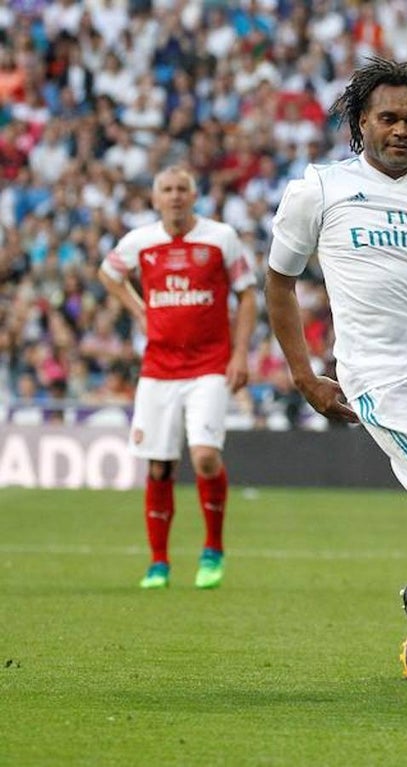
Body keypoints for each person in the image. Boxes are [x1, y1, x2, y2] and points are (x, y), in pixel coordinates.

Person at [265, 58, 407, 680]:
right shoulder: (321, 188)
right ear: (362, 122)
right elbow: (279, 280)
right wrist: (303, 374)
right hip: (383, 384)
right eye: (388, 118)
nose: (402, 130)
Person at [98, 165, 257, 590]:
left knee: (204, 456)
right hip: (158, 368)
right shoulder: (140, 241)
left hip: (209, 364)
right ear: (155, 199)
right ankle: (159, 562)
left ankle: (212, 550)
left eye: (181, 189)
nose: (174, 196)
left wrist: (240, 353)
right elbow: (108, 274)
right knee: (160, 466)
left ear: (194, 195)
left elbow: (247, 295)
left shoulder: (220, 237)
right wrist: (139, 311)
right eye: (166, 190)